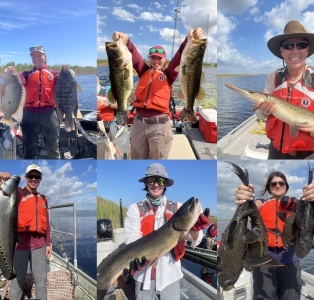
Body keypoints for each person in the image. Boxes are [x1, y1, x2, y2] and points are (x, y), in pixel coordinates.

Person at [112, 28, 204, 159]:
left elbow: (178, 59)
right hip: (139, 124)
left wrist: (188, 40)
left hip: (159, 125)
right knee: (137, 159)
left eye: (159, 58)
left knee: (158, 159)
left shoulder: (168, 74)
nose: (156, 61)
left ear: (164, 59)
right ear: (149, 59)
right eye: (153, 58)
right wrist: (126, 41)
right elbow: (136, 57)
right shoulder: (143, 71)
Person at [123, 163, 210, 299]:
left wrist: (195, 229)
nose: (156, 184)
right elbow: (131, 237)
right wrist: (138, 257)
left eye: (161, 181)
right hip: (143, 277)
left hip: (170, 276)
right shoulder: (135, 208)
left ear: (165, 185)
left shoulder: (177, 207)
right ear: (146, 183)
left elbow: (194, 239)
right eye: (152, 180)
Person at [253, 20, 314, 159]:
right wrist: (262, 111)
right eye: (288, 45)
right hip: (275, 151)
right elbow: (260, 116)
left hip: (309, 154)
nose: (295, 50)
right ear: (282, 51)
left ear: (307, 49)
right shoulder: (273, 78)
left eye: (301, 45)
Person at [235, 171, 314, 299]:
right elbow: (251, 205)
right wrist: (246, 198)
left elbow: (310, 217)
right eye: (273, 184)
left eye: (281, 183)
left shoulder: (296, 205)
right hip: (263, 260)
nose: (277, 185)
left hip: (290, 259)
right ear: (269, 188)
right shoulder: (262, 202)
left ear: (286, 186)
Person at [0, 164, 51, 300]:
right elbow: (6, 190)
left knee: (41, 281)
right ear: (26, 177)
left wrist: (48, 243)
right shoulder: (18, 192)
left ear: (40, 179)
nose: (33, 179)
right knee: (17, 281)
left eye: (36, 176)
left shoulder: (44, 198)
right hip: (20, 245)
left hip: (40, 245)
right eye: (30, 176)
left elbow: (47, 224)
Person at [20, 45, 61, 159]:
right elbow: (19, 80)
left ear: (45, 57)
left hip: (49, 113)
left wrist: (65, 75)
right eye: (33, 56)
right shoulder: (26, 74)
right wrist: (11, 75)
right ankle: (30, 171)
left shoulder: (54, 74)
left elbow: (63, 83)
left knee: (53, 146)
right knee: (29, 147)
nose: (36, 58)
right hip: (29, 114)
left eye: (39, 55)